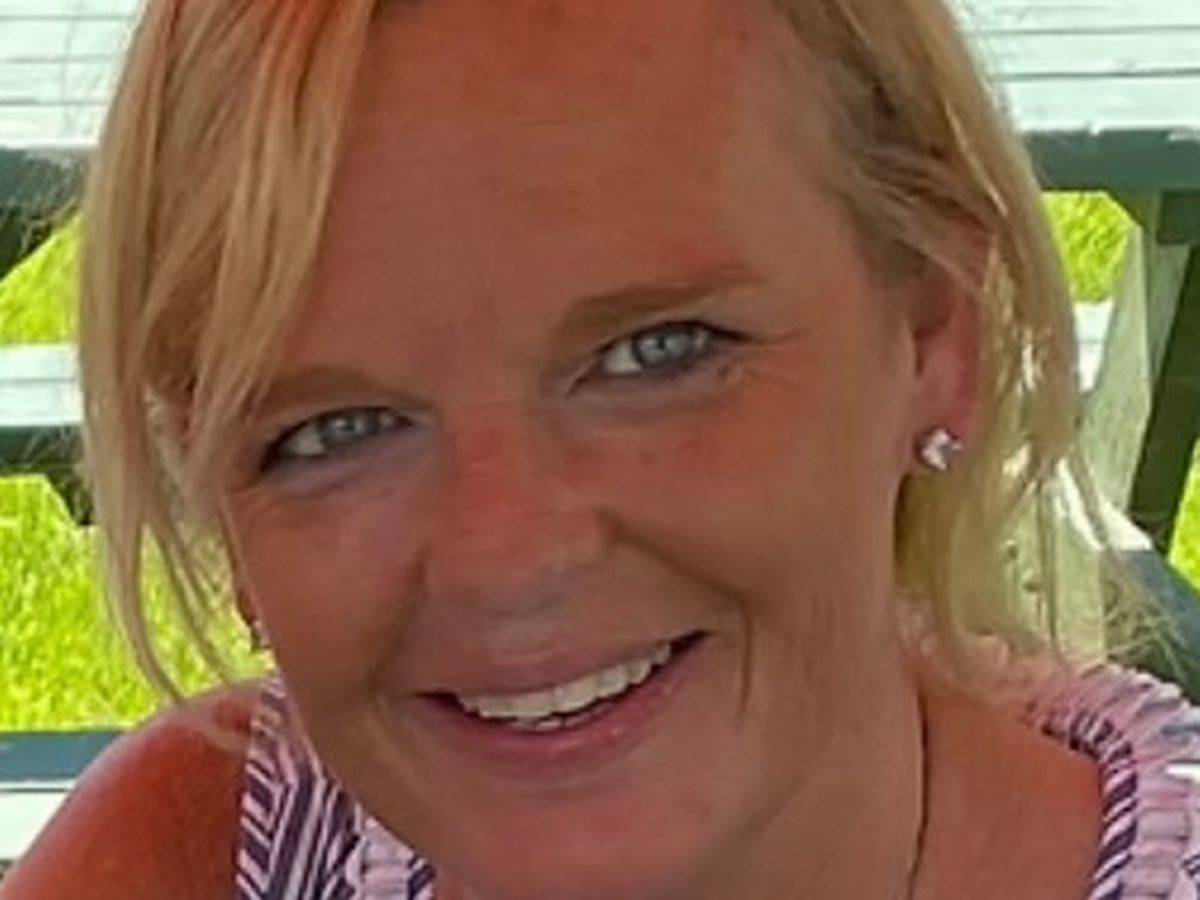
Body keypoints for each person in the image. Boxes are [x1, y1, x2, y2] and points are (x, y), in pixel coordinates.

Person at [4, 0, 1200, 897]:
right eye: (332, 432)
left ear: (937, 328)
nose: (507, 558)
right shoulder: (207, 853)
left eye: (655, 354)